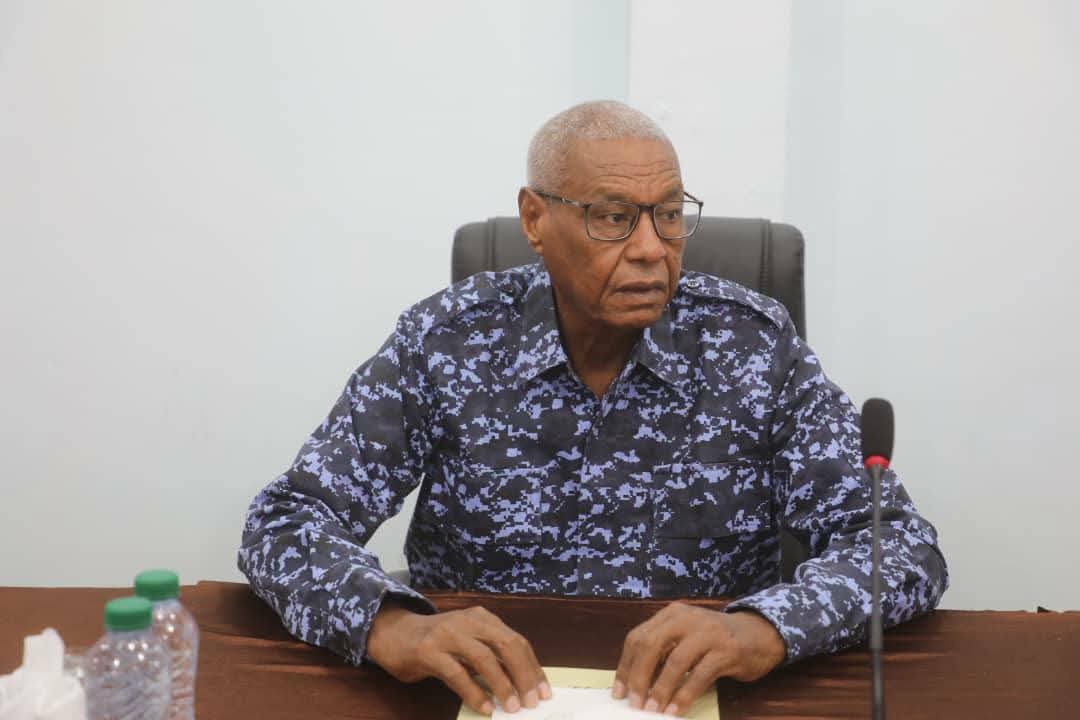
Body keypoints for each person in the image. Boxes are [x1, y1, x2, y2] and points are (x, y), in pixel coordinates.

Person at [238, 100, 948, 717]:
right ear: (535, 219)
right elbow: (286, 521)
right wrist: (392, 626)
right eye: (613, 218)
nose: (650, 250)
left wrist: (761, 629)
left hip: (696, 699)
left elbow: (899, 547)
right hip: (488, 699)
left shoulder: (752, 345)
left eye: (668, 216)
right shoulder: (448, 341)